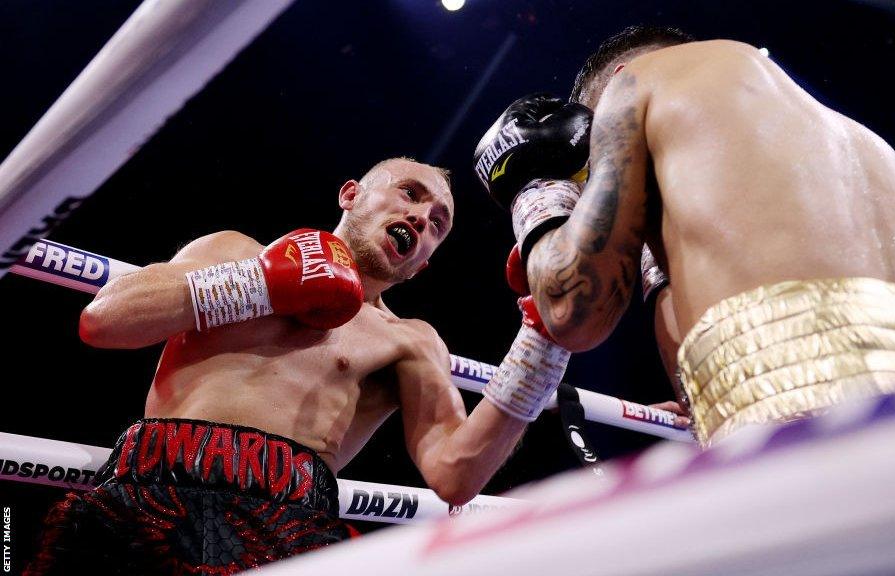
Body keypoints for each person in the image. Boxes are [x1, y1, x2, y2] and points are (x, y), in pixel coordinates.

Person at [26, 157, 569, 575]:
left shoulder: (410, 341)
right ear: (351, 194)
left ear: (424, 264)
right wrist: (263, 284)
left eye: (437, 224)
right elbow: (106, 320)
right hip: (145, 496)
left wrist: (543, 344)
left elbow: (457, 474)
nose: (422, 217)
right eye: (411, 193)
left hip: (286, 524)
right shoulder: (234, 250)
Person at [474, 26, 895, 448]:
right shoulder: (854, 143)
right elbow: (697, 380)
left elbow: (572, 310)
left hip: (813, 402)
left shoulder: (632, 85)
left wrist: (536, 189)